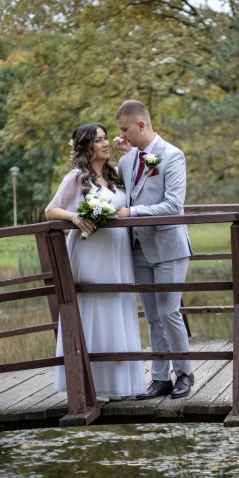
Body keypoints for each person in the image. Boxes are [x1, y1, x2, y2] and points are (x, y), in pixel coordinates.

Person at [45, 123, 145, 400]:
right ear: (86, 146)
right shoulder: (77, 178)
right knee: (94, 308)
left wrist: (132, 150)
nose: (105, 143)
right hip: (90, 251)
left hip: (117, 251)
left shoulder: (115, 176)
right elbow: (51, 210)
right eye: (99, 140)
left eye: (105, 139)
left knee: (117, 307)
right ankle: (91, 382)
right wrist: (74, 217)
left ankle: (119, 384)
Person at [113, 100, 194, 400]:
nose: (121, 135)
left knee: (169, 311)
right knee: (152, 317)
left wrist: (132, 213)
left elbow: (174, 205)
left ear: (140, 125)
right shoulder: (127, 161)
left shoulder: (172, 156)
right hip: (137, 248)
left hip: (168, 247)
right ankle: (160, 379)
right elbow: (124, 191)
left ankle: (184, 374)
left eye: (124, 130)